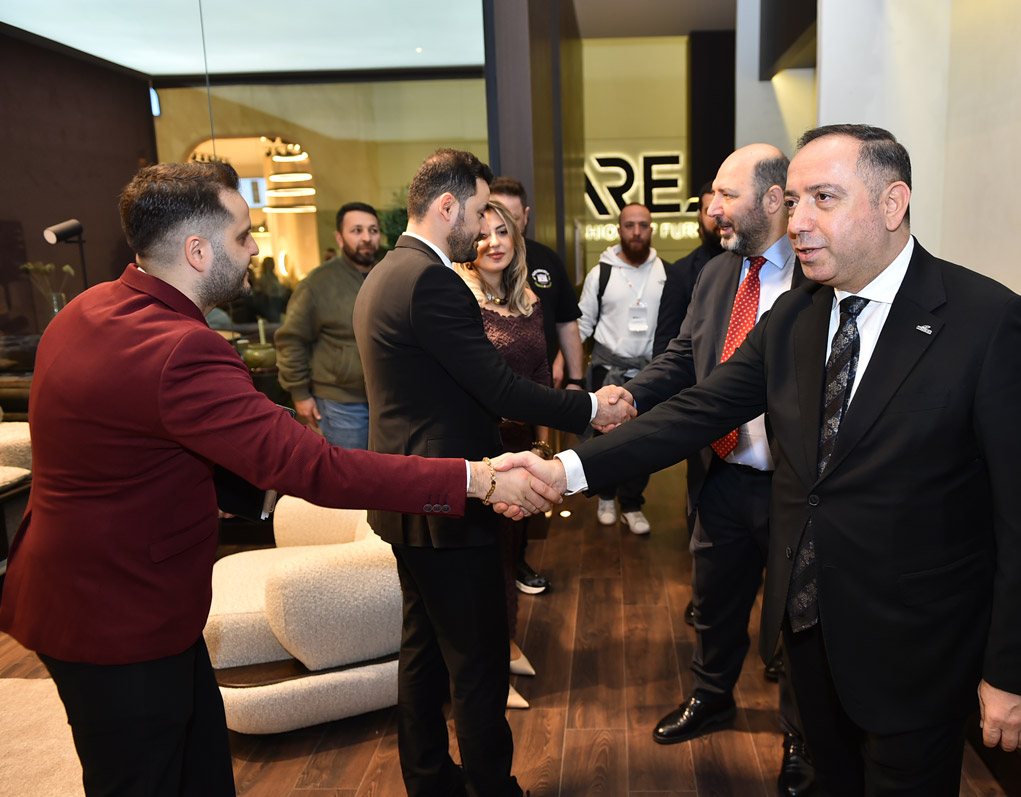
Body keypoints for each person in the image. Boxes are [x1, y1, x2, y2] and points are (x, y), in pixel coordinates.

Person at [505, 124, 1021, 796]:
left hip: (917, 653)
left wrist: (1016, 671)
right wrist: (566, 471)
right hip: (809, 636)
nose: (797, 220)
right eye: (796, 199)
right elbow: (696, 411)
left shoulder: (990, 324)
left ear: (892, 204)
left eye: (823, 199)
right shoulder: (795, 318)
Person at [0, 161, 558, 797]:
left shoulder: (85, 309)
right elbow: (317, 467)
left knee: (201, 771)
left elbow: (137, 449)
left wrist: (258, 480)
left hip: (82, 595)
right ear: (197, 251)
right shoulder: (182, 350)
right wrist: (476, 481)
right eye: (243, 236)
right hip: (121, 617)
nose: (255, 249)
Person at [352, 148, 634, 797]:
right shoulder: (432, 281)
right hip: (449, 499)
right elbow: (500, 389)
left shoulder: (386, 273)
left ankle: (430, 779)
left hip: (406, 497)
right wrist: (592, 407)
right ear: (447, 205)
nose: (484, 227)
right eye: (479, 211)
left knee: (422, 651)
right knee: (478, 660)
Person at [621, 144, 813, 794]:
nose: (713, 210)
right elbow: (685, 356)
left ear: (772, 198)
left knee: (800, 617)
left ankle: (801, 737)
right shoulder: (714, 274)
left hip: (796, 489)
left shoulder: (819, 277)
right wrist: (631, 396)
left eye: (727, 195)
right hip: (722, 473)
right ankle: (712, 695)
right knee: (714, 599)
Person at [452, 199, 553, 709]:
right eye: (483, 233)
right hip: (480, 451)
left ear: (516, 238)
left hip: (521, 448)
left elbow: (540, 376)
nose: (493, 242)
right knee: (485, 563)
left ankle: (507, 642)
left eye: (502, 231)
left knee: (509, 554)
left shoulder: (528, 298)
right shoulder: (459, 299)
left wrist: (544, 446)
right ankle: (488, 667)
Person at [489, 176, 588, 594]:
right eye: (489, 225)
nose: (497, 238)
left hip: (531, 408)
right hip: (481, 423)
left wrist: (576, 380)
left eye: (507, 224)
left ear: (524, 218)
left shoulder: (537, 277)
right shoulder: (458, 288)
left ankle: (517, 563)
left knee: (524, 495)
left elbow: (565, 326)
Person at [577, 202, 667, 534]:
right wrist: (565, 367)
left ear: (651, 229)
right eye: (630, 225)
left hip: (650, 373)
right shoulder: (600, 274)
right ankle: (605, 496)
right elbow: (582, 325)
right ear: (619, 230)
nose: (636, 232)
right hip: (608, 371)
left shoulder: (666, 273)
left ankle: (631, 504)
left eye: (643, 225)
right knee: (604, 439)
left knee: (643, 442)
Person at [274, 202, 381, 449]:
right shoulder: (317, 284)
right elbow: (291, 340)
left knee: (386, 469)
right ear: (339, 238)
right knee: (351, 471)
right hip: (341, 404)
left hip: (386, 401)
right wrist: (300, 394)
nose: (366, 238)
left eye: (373, 230)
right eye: (357, 230)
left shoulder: (388, 274)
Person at [653, 180, 724, 357]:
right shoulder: (681, 272)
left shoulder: (755, 263)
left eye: (723, 208)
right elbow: (666, 343)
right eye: (709, 210)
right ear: (699, 216)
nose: (717, 215)